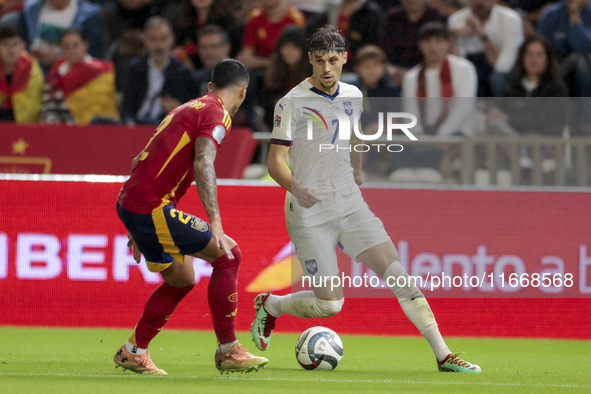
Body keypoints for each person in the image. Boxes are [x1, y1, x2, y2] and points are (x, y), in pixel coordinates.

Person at [251, 25, 481, 373]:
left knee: (401, 278)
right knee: (330, 306)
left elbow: (354, 135)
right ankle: (272, 305)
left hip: (349, 204)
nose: (326, 68)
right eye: (318, 61)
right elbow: (274, 162)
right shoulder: (292, 103)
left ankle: (444, 355)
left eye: (332, 59)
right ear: (310, 61)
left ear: (344, 58)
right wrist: (296, 188)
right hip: (309, 212)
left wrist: (357, 169)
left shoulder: (353, 96)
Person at [114, 59, 268, 375]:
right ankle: (228, 350)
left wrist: (135, 225)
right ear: (242, 92)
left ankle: (133, 351)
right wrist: (216, 223)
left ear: (210, 86)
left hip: (136, 204)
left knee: (181, 279)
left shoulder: (186, 109)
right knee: (229, 254)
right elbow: (203, 163)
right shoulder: (218, 114)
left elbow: (137, 160)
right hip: (150, 207)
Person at [120, 16, 198, 125]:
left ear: (172, 39)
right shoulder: (135, 68)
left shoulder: (182, 71)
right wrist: (128, 121)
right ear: (145, 40)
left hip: (162, 127)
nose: (158, 45)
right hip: (135, 125)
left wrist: (178, 109)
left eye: (163, 39)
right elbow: (126, 107)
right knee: (99, 121)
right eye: (153, 39)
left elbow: (191, 113)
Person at [41, 29, 118, 125]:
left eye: (75, 45)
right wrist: (53, 121)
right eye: (66, 46)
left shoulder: (104, 71)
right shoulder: (55, 74)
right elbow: (48, 106)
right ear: (61, 48)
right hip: (65, 129)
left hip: (99, 127)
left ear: (85, 45)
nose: (71, 50)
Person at [2, 0, 103, 72]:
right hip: (32, 67)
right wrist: (29, 53)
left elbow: (95, 54)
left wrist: (59, 61)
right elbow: (22, 39)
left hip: (70, 70)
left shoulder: (88, 16)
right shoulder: (32, 9)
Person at [448, 0, 523, 97]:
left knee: (497, 78)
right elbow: (455, 65)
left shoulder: (511, 19)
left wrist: (483, 36)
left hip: (496, 72)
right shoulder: (456, 20)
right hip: (470, 68)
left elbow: (503, 67)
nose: (480, 2)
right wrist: (454, 36)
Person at [380, 0, 448, 85]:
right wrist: (390, 68)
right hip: (394, 75)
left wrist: (412, 74)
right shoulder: (392, 18)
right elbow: (382, 50)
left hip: (428, 71)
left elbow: (442, 51)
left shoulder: (438, 17)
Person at [537, 0, 591, 97]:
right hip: (556, 60)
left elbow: (582, 47)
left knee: (580, 62)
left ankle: (585, 111)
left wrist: (574, 14)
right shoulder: (550, 14)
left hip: (586, 61)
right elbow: (540, 46)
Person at [262, 25, 311, 127]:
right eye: (286, 47)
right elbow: (268, 109)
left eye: (294, 47)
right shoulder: (274, 72)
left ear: (303, 49)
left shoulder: (313, 73)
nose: (289, 52)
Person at [0, 25, 43, 122]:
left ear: (23, 45)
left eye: (15, 44)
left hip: (24, 123)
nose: (10, 49)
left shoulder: (32, 66)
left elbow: (35, 103)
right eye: (5, 44)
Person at [193, 24, 232, 97]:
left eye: (214, 46)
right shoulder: (198, 78)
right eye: (204, 47)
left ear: (227, 47)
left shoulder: (242, 76)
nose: (209, 53)